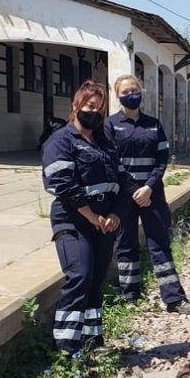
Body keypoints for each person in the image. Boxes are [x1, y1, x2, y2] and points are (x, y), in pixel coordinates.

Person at [41, 80, 125, 355]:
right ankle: (67, 348)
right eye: (90, 106)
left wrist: (114, 213)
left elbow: (120, 180)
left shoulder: (104, 142)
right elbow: (61, 183)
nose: (95, 113)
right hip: (73, 220)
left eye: (100, 108)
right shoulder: (60, 141)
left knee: (95, 282)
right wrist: (91, 216)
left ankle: (92, 342)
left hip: (103, 222)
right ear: (76, 106)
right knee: (79, 276)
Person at [107, 75, 190, 314]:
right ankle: (130, 297)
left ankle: (174, 298)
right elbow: (111, 161)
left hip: (152, 194)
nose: (131, 94)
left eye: (134, 89)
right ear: (117, 95)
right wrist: (132, 189)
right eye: (125, 91)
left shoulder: (154, 124)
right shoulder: (110, 125)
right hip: (124, 197)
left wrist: (148, 187)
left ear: (141, 91)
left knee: (159, 244)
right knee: (126, 245)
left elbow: (161, 159)